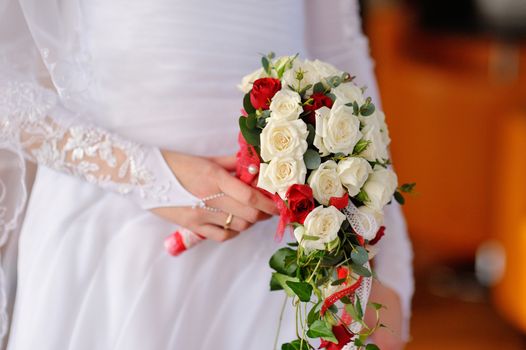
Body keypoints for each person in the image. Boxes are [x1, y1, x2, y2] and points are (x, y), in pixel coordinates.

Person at [0, 0, 414, 349]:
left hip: (289, 238)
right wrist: (150, 176)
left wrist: (387, 261)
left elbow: (338, 50)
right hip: (116, 226)